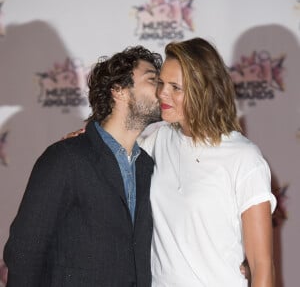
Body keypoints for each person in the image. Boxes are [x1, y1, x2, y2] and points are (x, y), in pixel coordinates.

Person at [3, 45, 162, 287]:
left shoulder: (147, 166)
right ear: (118, 90)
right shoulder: (66, 158)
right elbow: (24, 253)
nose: (162, 89)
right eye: (152, 79)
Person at [139, 37, 276, 287]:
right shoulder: (158, 140)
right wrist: (87, 138)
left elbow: (261, 265)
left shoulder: (244, 159)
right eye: (160, 83)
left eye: (175, 87)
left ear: (203, 90)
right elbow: (111, 159)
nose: (162, 93)